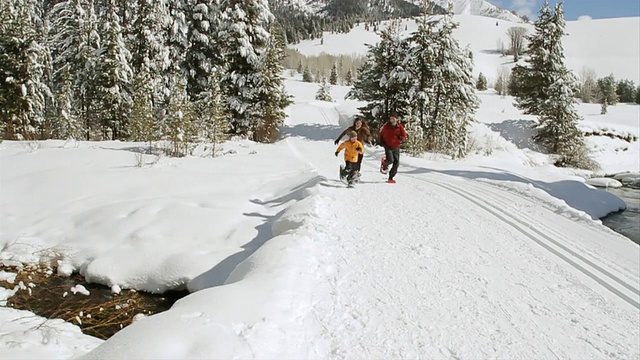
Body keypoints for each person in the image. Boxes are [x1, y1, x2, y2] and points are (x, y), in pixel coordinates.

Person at [379, 111, 407, 183]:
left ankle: (391, 177)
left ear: (397, 119)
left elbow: (404, 135)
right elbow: (381, 134)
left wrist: (402, 139)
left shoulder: (400, 126)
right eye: (391, 118)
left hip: (396, 146)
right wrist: (381, 141)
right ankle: (384, 164)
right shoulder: (386, 126)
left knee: (396, 163)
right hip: (388, 146)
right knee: (391, 160)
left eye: (394, 118)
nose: (392, 120)